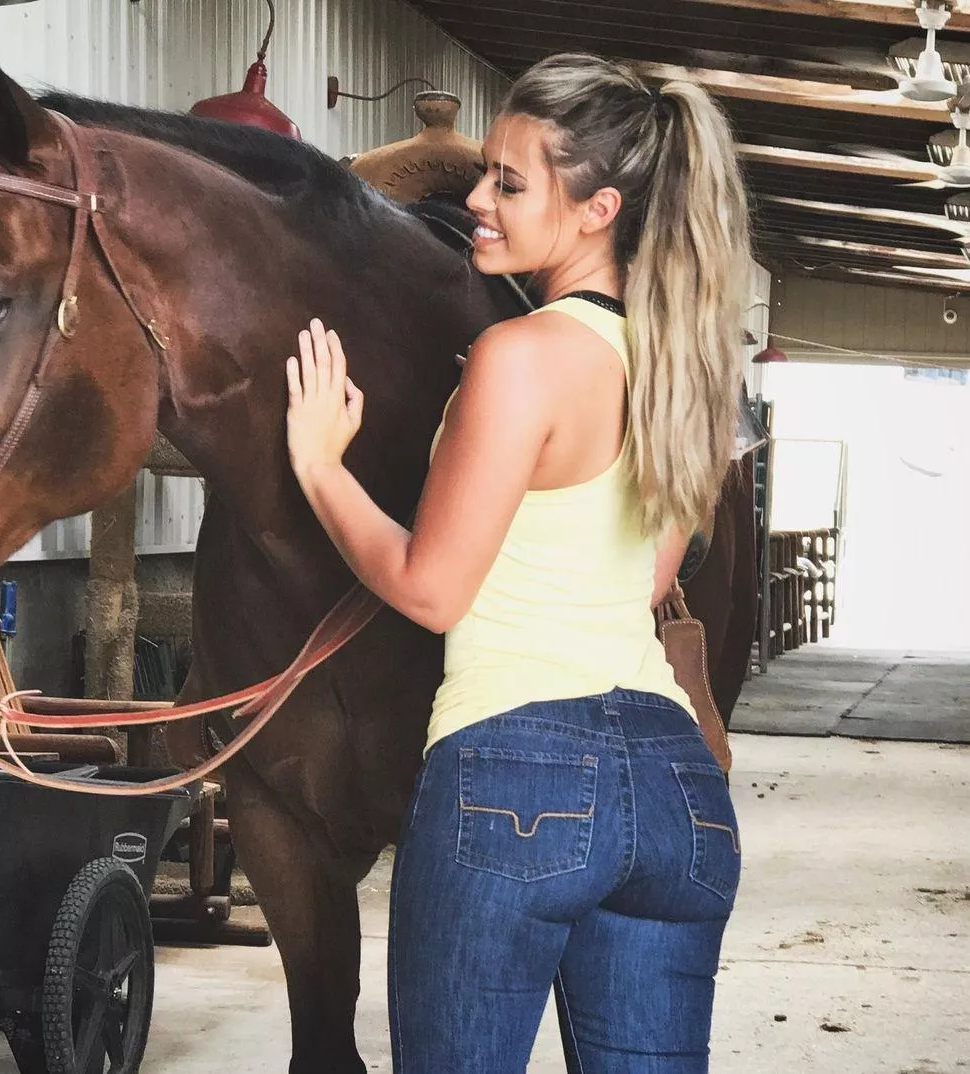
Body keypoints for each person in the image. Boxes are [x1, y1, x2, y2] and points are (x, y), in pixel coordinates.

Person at [284, 52, 749, 1074]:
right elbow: (641, 579)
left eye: (508, 182)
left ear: (597, 210)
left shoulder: (523, 356)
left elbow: (430, 586)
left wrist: (319, 467)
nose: (475, 201)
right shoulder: (688, 373)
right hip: (675, 789)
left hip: (514, 775)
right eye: (483, 174)